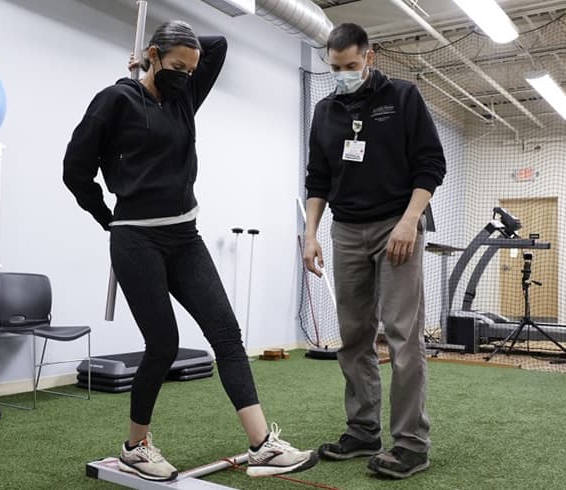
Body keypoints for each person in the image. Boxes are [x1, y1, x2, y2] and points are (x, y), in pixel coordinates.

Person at [62, 20, 318, 482]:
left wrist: (171, 61)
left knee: (226, 333)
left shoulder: (183, 98)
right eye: (176, 65)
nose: (185, 74)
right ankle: (135, 446)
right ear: (154, 55)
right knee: (163, 345)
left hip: (185, 237)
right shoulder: (114, 100)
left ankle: (262, 446)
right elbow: (74, 171)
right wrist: (109, 219)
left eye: (190, 68)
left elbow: (217, 46)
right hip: (136, 238)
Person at [302, 23, 446, 480]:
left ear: (370, 56)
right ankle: (363, 429)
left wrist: (408, 221)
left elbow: (431, 164)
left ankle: (411, 444)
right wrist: (310, 233)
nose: (342, 74)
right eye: (334, 67)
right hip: (345, 230)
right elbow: (317, 179)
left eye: (350, 65)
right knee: (353, 336)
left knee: (403, 337)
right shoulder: (325, 111)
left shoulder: (402, 98)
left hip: (396, 226)